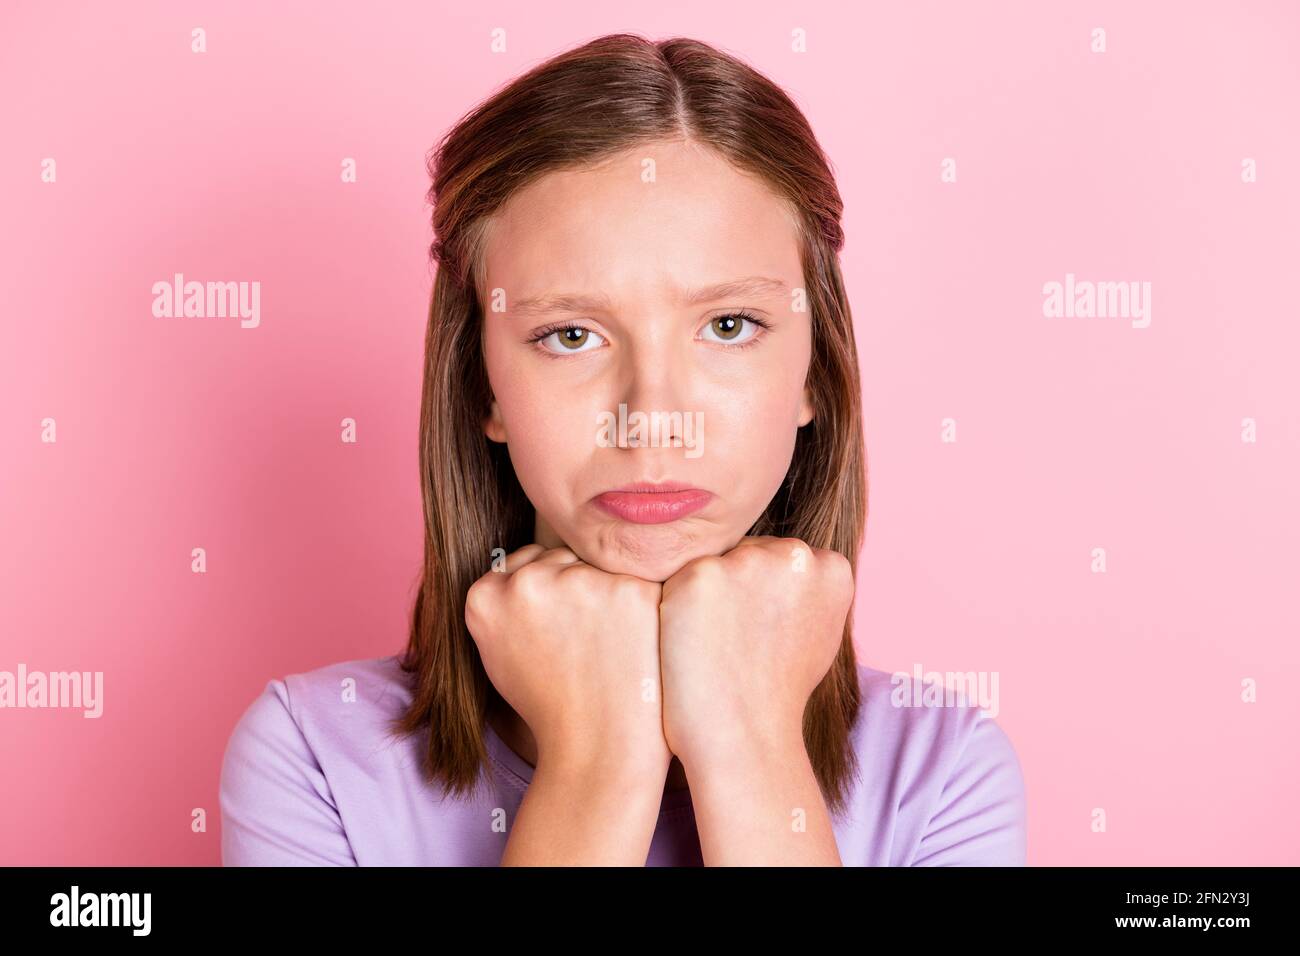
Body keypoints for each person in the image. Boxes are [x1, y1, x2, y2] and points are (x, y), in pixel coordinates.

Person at [219, 32, 1027, 866]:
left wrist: (752, 748)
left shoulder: (942, 776)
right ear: (482, 386)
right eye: (570, 334)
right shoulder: (314, 759)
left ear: (815, 371)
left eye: (728, 326)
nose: (652, 418)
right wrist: (596, 766)